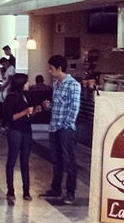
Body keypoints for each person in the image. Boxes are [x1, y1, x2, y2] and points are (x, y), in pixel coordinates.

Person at [39, 55, 81, 205]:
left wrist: (66, 125)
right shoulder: (56, 83)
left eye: (51, 69)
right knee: (56, 160)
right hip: (54, 126)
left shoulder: (73, 85)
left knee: (69, 160)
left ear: (59, 69)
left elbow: (74, 109)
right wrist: (48, 106)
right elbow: (58, 105)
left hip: (66, 129)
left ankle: (70, 192)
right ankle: (55, 189)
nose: (49, 72)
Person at [2, 73, 40, 203]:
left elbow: (29, 115)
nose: (28, 84)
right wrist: (25, 112)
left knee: (25, 161)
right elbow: (10, 117)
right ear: (20, 84)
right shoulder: (11, 97)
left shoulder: (26, 96)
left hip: (26, 130)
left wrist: (35, 111)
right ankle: (10, 189)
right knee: (12, 160)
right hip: (15, 131)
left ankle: (26, 190)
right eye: (26, 82)